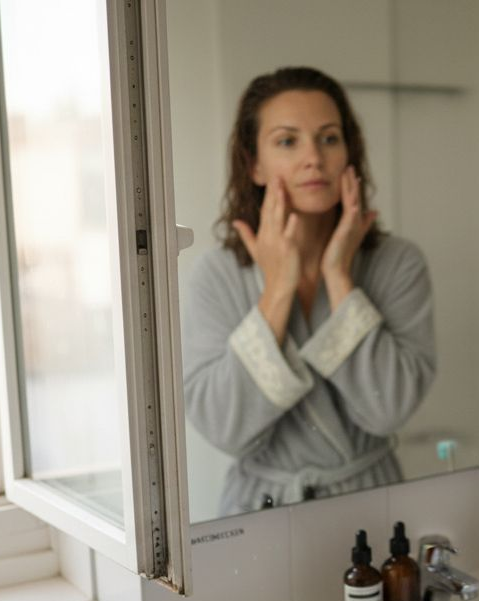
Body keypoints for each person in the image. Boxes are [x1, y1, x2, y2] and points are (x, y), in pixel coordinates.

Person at [183, 67, 435, 516]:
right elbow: (224, 428)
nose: (313, 158)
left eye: (329, 138)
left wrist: (339, 276)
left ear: (349, 153)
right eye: (287, 141)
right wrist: (277, 289)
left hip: (371, 503)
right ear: (254, 164)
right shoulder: (217, 275)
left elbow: (389, 411)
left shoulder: (398, 264)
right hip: (260, 509)